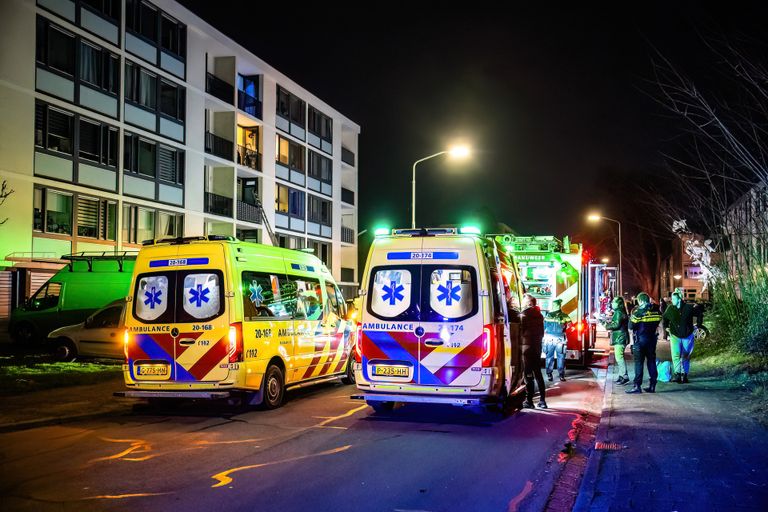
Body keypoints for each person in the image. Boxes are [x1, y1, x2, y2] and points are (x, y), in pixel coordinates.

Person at [662, 291, 703, 383]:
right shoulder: (670, 309)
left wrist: (698, 325)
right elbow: (664, 317)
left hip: (687, 335)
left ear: (679, 299)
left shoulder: (688, 308)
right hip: (675, 335)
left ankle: (684, 375)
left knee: (685, 355)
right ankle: (677, 374)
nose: (671, 301)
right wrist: (666, 327)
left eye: (673, 299)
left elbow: (699, 313)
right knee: (675, 355)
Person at [626, 292, 663, 394]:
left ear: (641, 301)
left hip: (640, 340)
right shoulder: (656, 311)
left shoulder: (638, 312)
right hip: (652, 340)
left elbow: (630, 326)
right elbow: (659, 321)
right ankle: (652, 385)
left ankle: (637, 386)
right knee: (651, 361)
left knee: (639, 363)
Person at [520, 294, 547, 409]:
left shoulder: (524, 315)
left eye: (525, 301)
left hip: (526, 348)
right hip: (537, 347)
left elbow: (521, 331)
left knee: (528, 374)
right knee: (538, 374)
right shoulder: (540, 315)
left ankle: (529, 401)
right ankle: (542, 401)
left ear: (529, 303)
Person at [543, 298, 571, 382]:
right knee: (561, 357)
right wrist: (563, 329)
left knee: (549, 357)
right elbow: (570, 326)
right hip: (560, 339)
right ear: (560, 306)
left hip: (549, 339)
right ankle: (561, 375)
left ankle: (549, 374)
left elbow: (544, 327)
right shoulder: (565, 315)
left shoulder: (548, 315)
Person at [604, 296, 630, 385]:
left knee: (619, 357)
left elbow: (616, 325)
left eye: (614, 302)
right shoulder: (621, 312)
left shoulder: (618, 312)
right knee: (619, 357)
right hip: (621, 337)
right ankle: (621, 375)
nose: (612, 303)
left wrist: (606, 325)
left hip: (620, 337)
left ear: (618, 304)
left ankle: (624, 376)